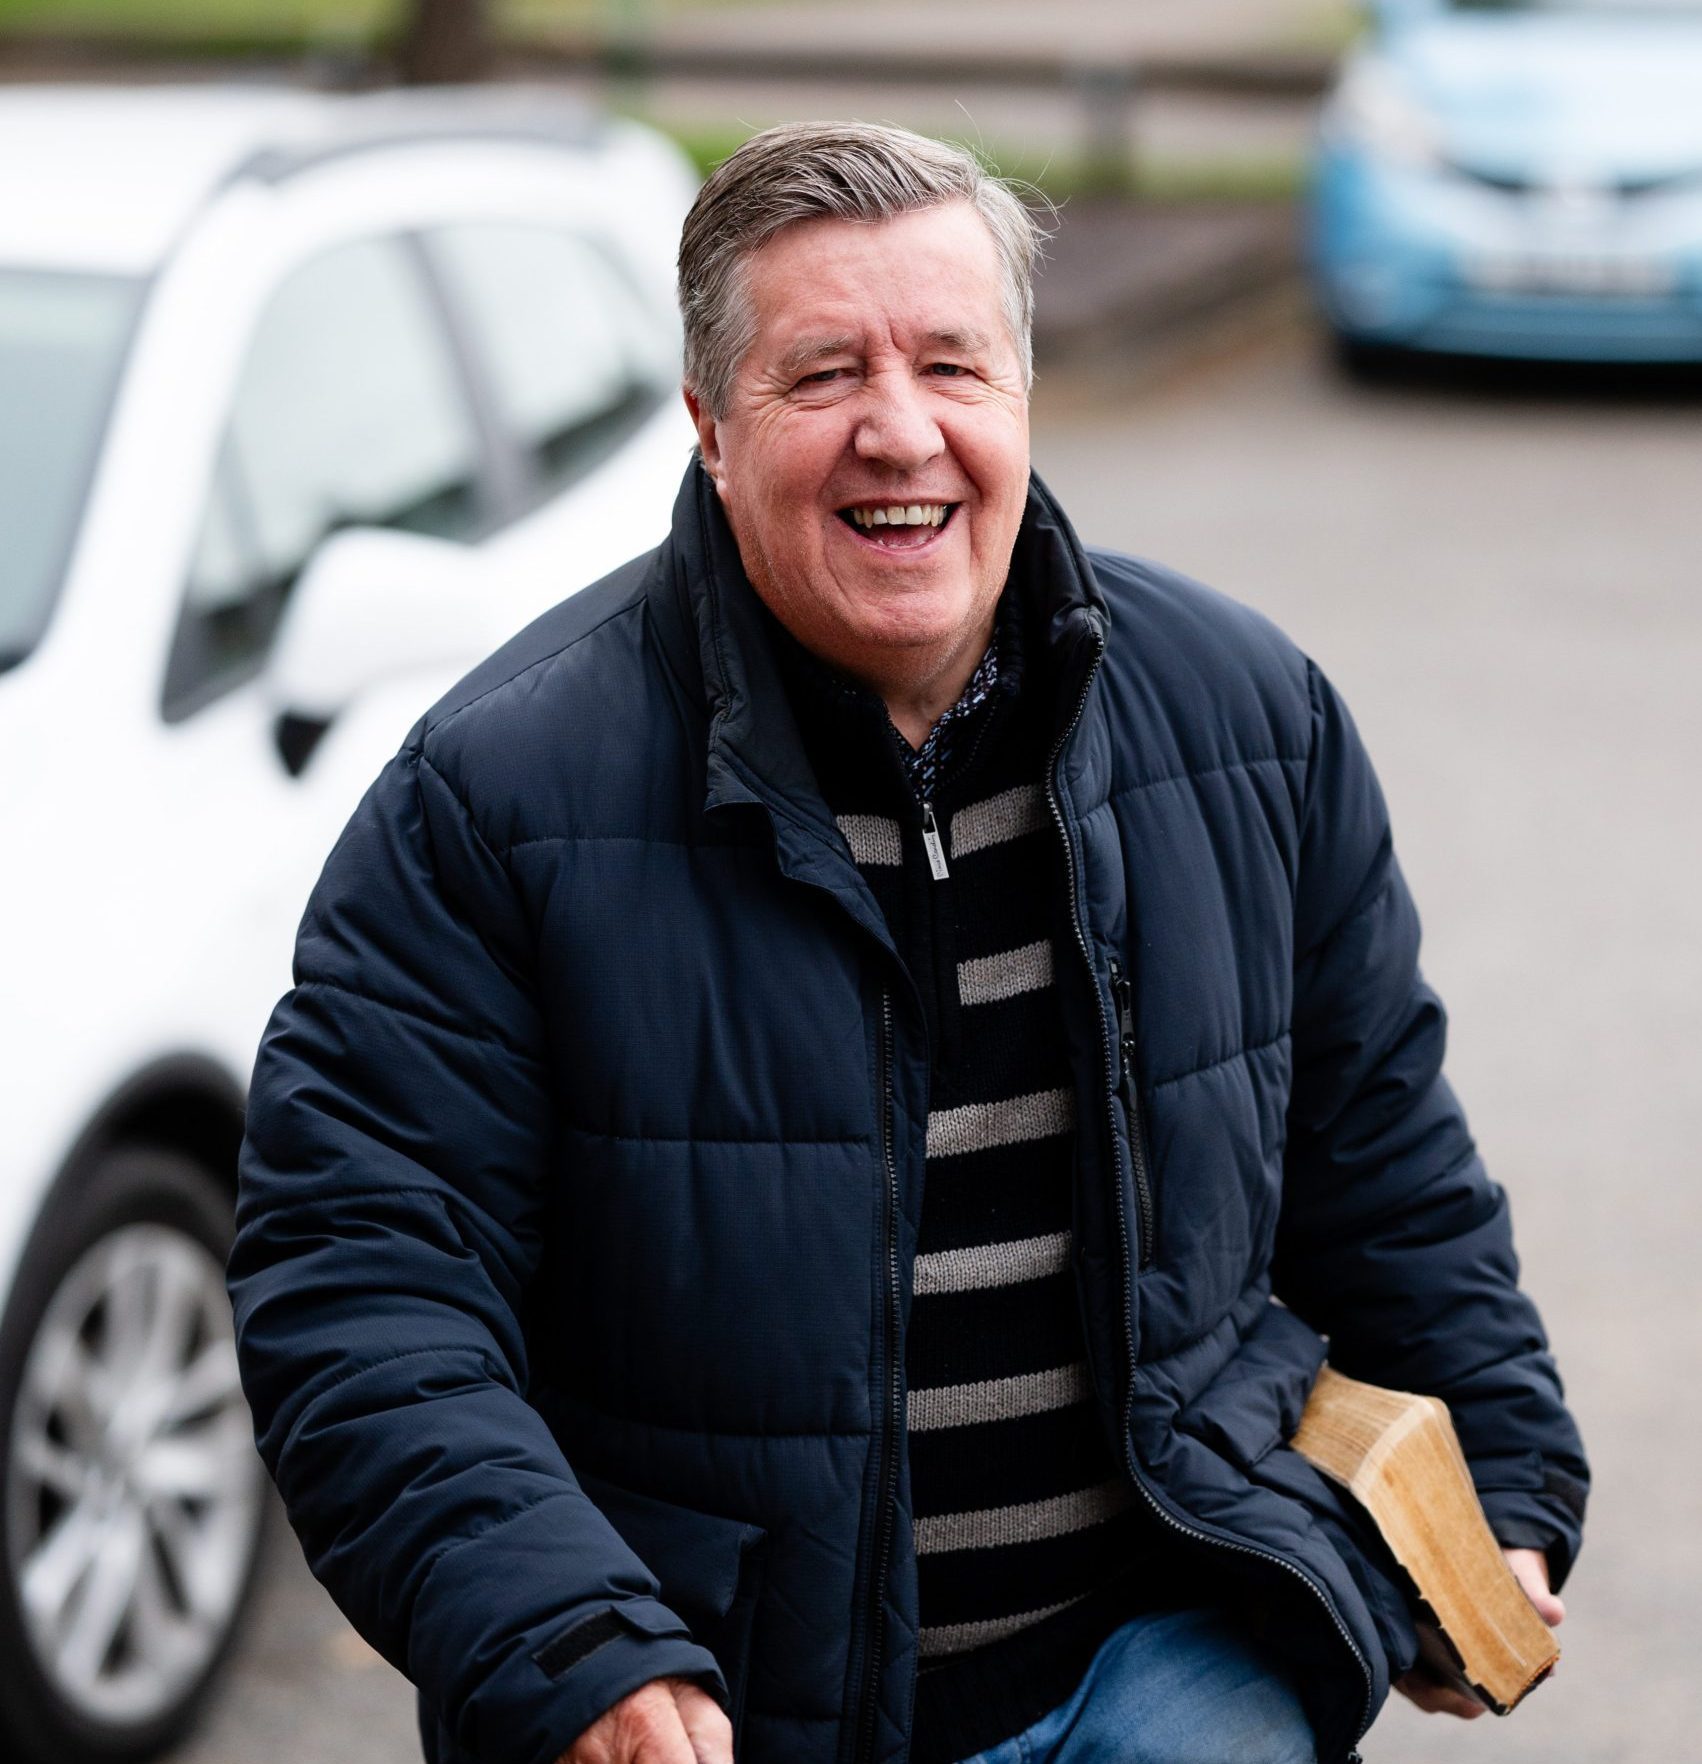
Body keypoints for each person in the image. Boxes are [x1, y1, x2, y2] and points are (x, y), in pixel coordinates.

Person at [228, 122, 1588, 1764]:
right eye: (822, 377)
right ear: (710, 429)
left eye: (952, 363)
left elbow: (1380, 1159)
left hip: (1173, 1654)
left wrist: (1503, 1486)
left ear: (1019, 393)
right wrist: (564, 1637)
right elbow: (362, 1281)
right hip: (725, 1694)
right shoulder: (489, 800)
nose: (901, 431)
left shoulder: (1251, 720)